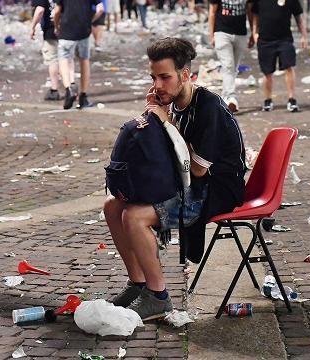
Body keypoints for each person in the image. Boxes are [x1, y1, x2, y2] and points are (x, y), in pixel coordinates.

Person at [104, 38, 246, 320]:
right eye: (153, 77)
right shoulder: (175, 105)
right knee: (112, 206)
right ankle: (138, 284)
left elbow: (196, 170)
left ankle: (158, 297)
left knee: (134, 217)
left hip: (216, 190)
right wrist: (156, 121)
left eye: (165, 77)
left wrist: (166, 123)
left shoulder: (209, 107)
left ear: (185, 75)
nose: (158, 85)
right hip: (190, 185)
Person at [252, 0, 307, 112]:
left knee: (289, 67)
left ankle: (291, 99)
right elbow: (255, 16)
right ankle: (268, 100)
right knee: (267, 72)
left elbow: (298, 17)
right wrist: (254, 33)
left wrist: (304, 36)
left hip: (285, 40)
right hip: (265, 40)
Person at [54, 0, 104, 109]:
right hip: (84, 30)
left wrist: (57, 26)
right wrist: (89, 21)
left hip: (66, 30)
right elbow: (100, 9)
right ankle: (83, 97)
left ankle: (68, 89)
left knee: (63, 60)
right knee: (84, 60)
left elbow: (57, 11)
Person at [208, 0, 253, 113]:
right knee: (228, 66)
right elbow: (212, 12)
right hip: (222, 33)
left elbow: (250, 12)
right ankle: (231, 97)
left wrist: (253, 32)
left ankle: (224, 98)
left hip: (240, 33)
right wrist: (211, 35)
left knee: (233, 68)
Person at [31, 0, 75, 100]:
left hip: (50, 30)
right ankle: (72, 85)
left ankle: (54, 90)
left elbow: (40, 10)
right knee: (68, 59)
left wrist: (32, 26)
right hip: (67, 28)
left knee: (53, 60)